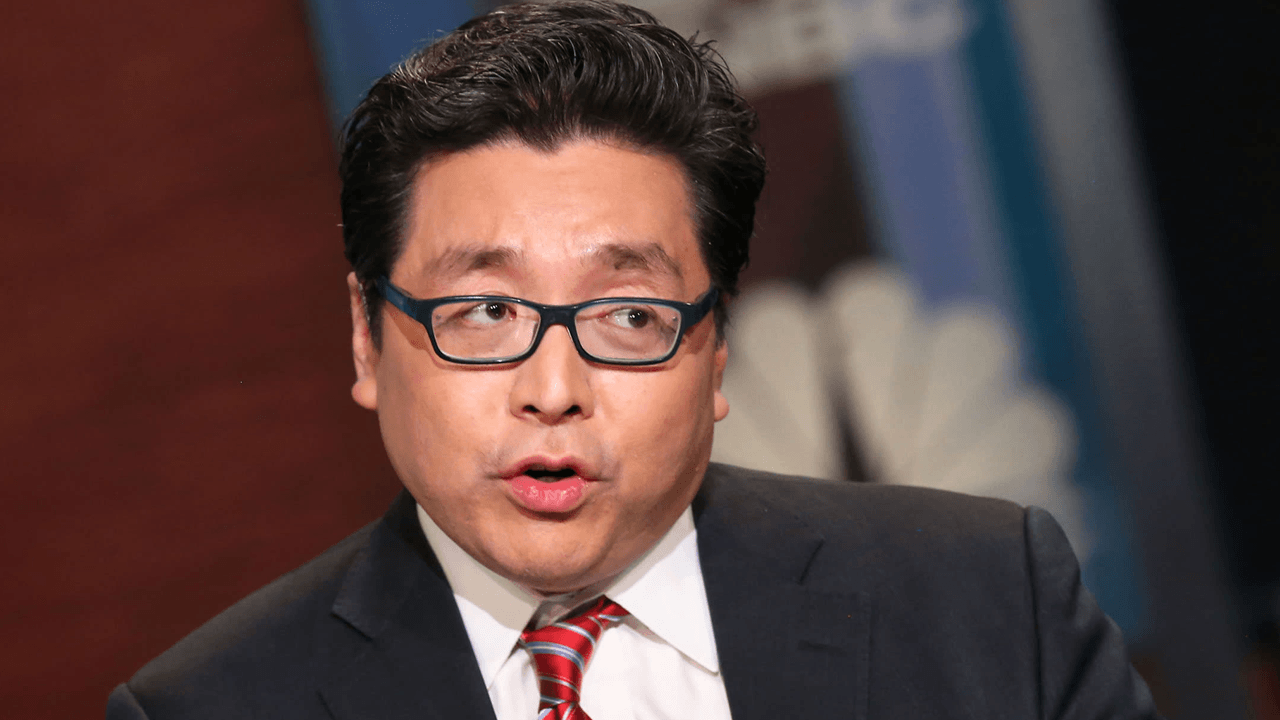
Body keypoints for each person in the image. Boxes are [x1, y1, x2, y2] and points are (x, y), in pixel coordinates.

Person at [106, 2, 1163, 718]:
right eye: (485, 310)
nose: (552, 391)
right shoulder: (212, 707)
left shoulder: (987, 604)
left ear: (715, 352)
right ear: (366, 337)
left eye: (626, 315)